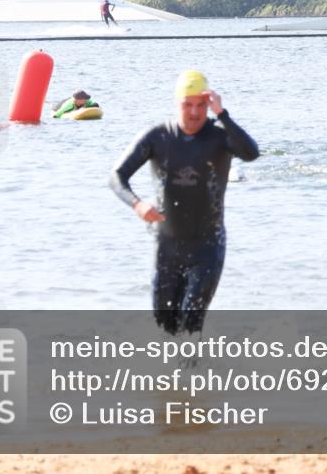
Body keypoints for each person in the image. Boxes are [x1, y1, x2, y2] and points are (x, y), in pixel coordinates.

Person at [109, 70, 259, 336]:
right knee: (164, 326)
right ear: (177, 103)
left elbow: (251, 153)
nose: (195, 112)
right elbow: (117, 177)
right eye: (187, 105)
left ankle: (192, 376)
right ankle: (173, 375)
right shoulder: (158, 137)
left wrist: (222, 115)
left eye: (201, 105)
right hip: (167, 247)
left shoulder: (220, 136)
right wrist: (137, 204)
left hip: (207, 246)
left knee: (190, 322)